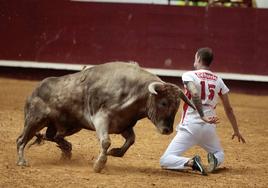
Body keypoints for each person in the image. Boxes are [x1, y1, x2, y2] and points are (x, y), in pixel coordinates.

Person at [160, 47, 246, 175]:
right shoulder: (218, 80)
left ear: (198, 59)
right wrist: (236, 130)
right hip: (209, 128)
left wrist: (202, 115)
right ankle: (215, 160)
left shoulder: (189, 75)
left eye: (195, 58)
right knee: (219, 153)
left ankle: (191, 162)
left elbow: (194, 93)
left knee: (166, 159)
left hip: (190, 127)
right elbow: (229, 109)